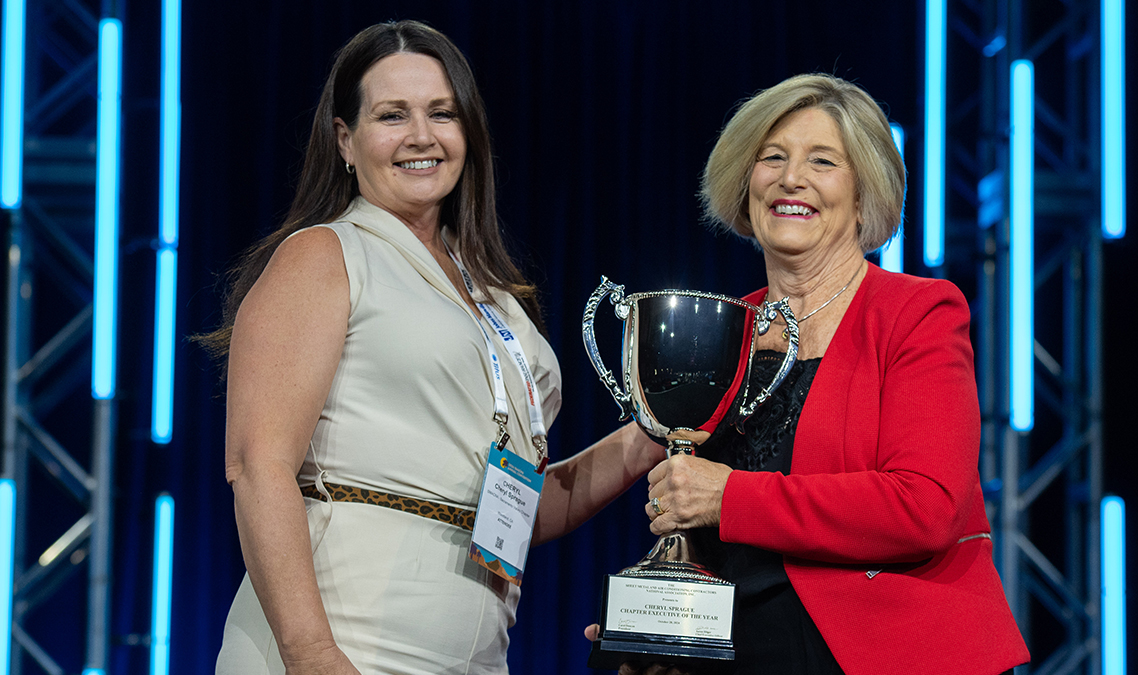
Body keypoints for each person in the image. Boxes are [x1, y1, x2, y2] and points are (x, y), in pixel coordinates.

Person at [206, 21, 662, 675]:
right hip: (345, 646)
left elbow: (523, 507)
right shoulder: (326, 254)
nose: (421, 136)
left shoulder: (496, 298)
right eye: (393, 115)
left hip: (476, 656)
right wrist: (311, 653)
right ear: (345, 140)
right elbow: (258, 465)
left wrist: (656, 429)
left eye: (441, 113)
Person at [623, 74, 1031, 674]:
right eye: (773, 157)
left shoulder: (917, 313)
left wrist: (729, 495)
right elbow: (630, 478)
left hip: (891, 652)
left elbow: (928, 506)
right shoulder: (721, 335)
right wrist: (659, 630)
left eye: (822, 161)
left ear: (865, 195)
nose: (792, 178)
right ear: (745, 183)